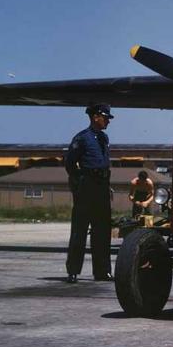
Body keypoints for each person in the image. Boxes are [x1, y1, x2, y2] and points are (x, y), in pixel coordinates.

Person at [64, 104, 114, 283]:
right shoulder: (82, 138)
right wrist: (80, 184)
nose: (108, 121)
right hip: (86, 187)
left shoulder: (104, 138)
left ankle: (102, 272)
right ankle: (73, 271)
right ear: (95, 117)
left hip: (102, 186)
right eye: (105, 117)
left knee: (102, 231)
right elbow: (70, 164)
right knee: (80, 230)